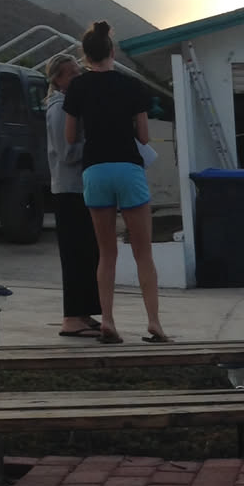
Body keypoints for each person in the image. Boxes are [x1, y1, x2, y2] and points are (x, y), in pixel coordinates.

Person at [63, 20, 168, 344]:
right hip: (128, 168)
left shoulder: (77, 88)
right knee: (143, 253)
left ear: (85, 55)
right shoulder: (131, 86)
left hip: (95, 170)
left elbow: (70, 137)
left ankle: (107, 320)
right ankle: (154, 323)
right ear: (112, 51)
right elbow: (144, 136)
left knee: (106, 253)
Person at [43, 53, 103, 337]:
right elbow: (66, 153)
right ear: (58, 79)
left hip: (80, 188)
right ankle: (71, 317)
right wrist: (96, 143)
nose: (78, 77)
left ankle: (83, 312)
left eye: (79, 71)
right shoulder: (58, 109)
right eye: (72, 74)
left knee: (87, 253)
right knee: (75, 254)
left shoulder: (72, 106)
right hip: (68, 190)